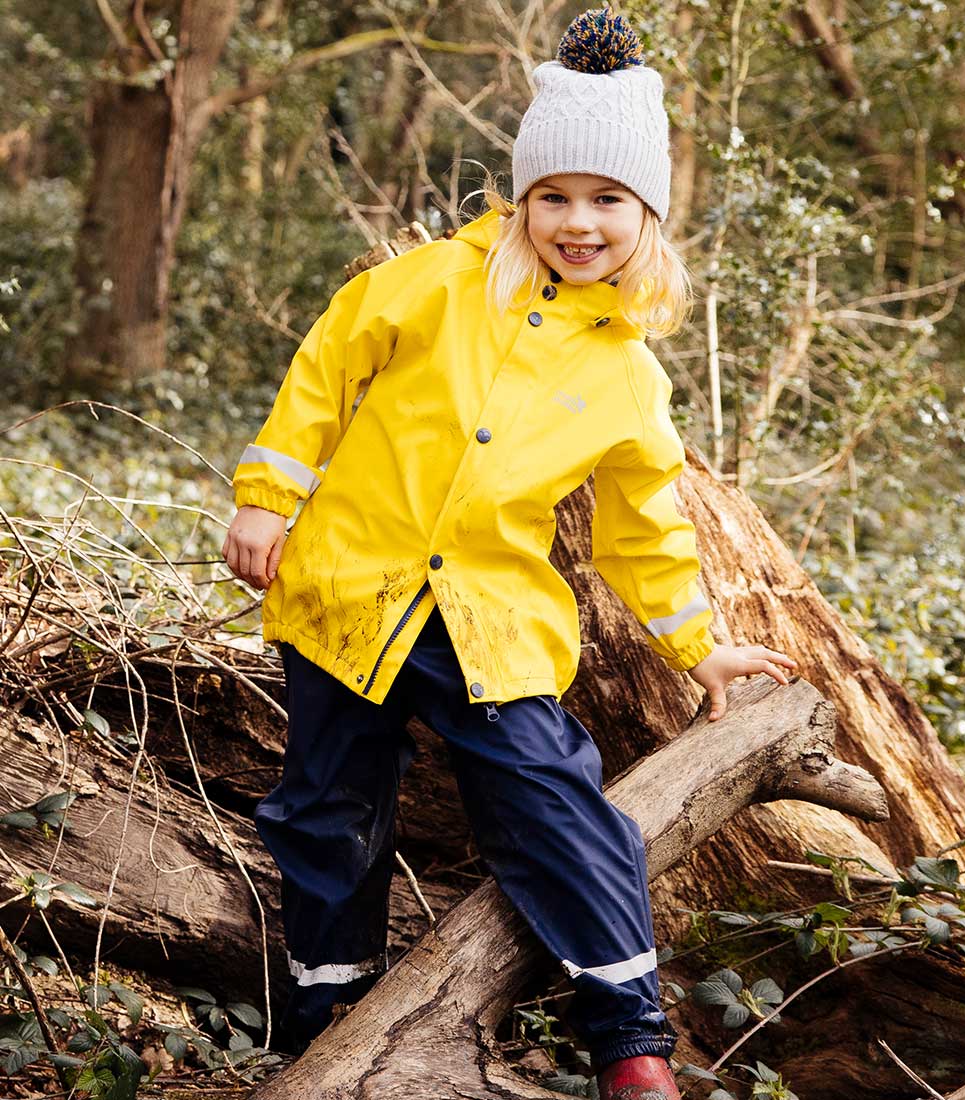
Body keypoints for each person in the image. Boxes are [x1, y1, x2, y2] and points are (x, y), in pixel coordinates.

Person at [222, 9, 796, 1099]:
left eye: (606, 200)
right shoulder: (429, 283)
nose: (578, 222)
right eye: (555, 197)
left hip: (489, 623)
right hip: (347, 588)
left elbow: (643, 524)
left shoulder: (628, 374)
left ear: (647, 215)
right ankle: (327, 1018)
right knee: (328, 808)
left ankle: (628, 1037)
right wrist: (265, 496)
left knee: (554, 801)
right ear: (520, 197)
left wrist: (696, 646)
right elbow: (320, 376)